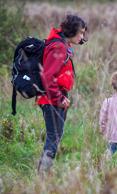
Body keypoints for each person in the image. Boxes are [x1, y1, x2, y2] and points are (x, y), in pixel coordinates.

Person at [35, 14, 87, 175]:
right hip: (52, 98)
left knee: (55, 136)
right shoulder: (59, 47)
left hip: (54, 96)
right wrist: (59, 97)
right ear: (72, 30)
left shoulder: (61, 44)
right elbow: (47, 76)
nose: (82, 36)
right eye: (81, 33)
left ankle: (44, 173)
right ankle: (43, 175)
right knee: (54, 136)